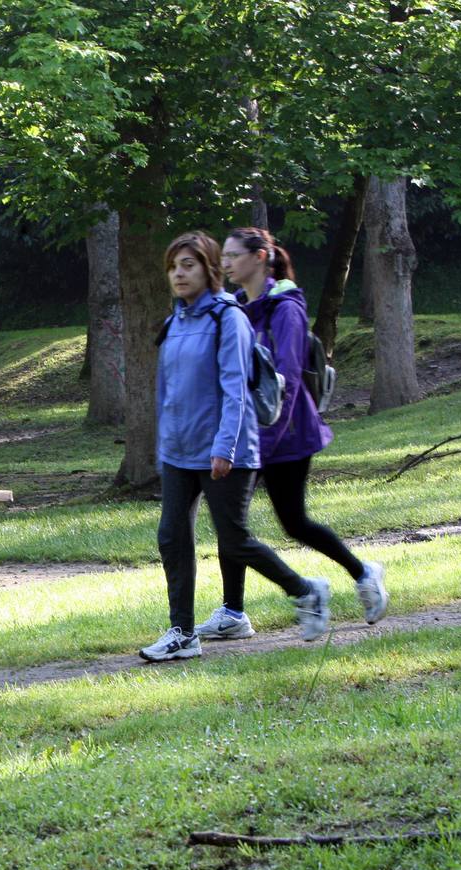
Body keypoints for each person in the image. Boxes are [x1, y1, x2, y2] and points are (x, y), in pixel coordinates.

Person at [140, 232, 332, 662]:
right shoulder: (175, 322)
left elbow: (235, 391)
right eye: (173, 267)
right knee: (171, 537)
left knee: (236, 540)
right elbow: (166, 393)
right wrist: (164, 447)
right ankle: (183, 633)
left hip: (225, 451)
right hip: (180, 452)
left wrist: (224, 447)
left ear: (208, 269)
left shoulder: (228, 319)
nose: (178, 274)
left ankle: (306, 591)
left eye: (188, 265)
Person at [193, 227, 389, 641]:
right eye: (222, 256)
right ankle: (233, 613)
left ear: (261, 256)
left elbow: (288, 381)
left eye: (233, 255)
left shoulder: (287, 309)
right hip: (247, 435)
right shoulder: (235, 308)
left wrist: (265, 440)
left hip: (288, 436)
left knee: (294, 522)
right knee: (233, 526)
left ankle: (364, 573)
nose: (225, 263)